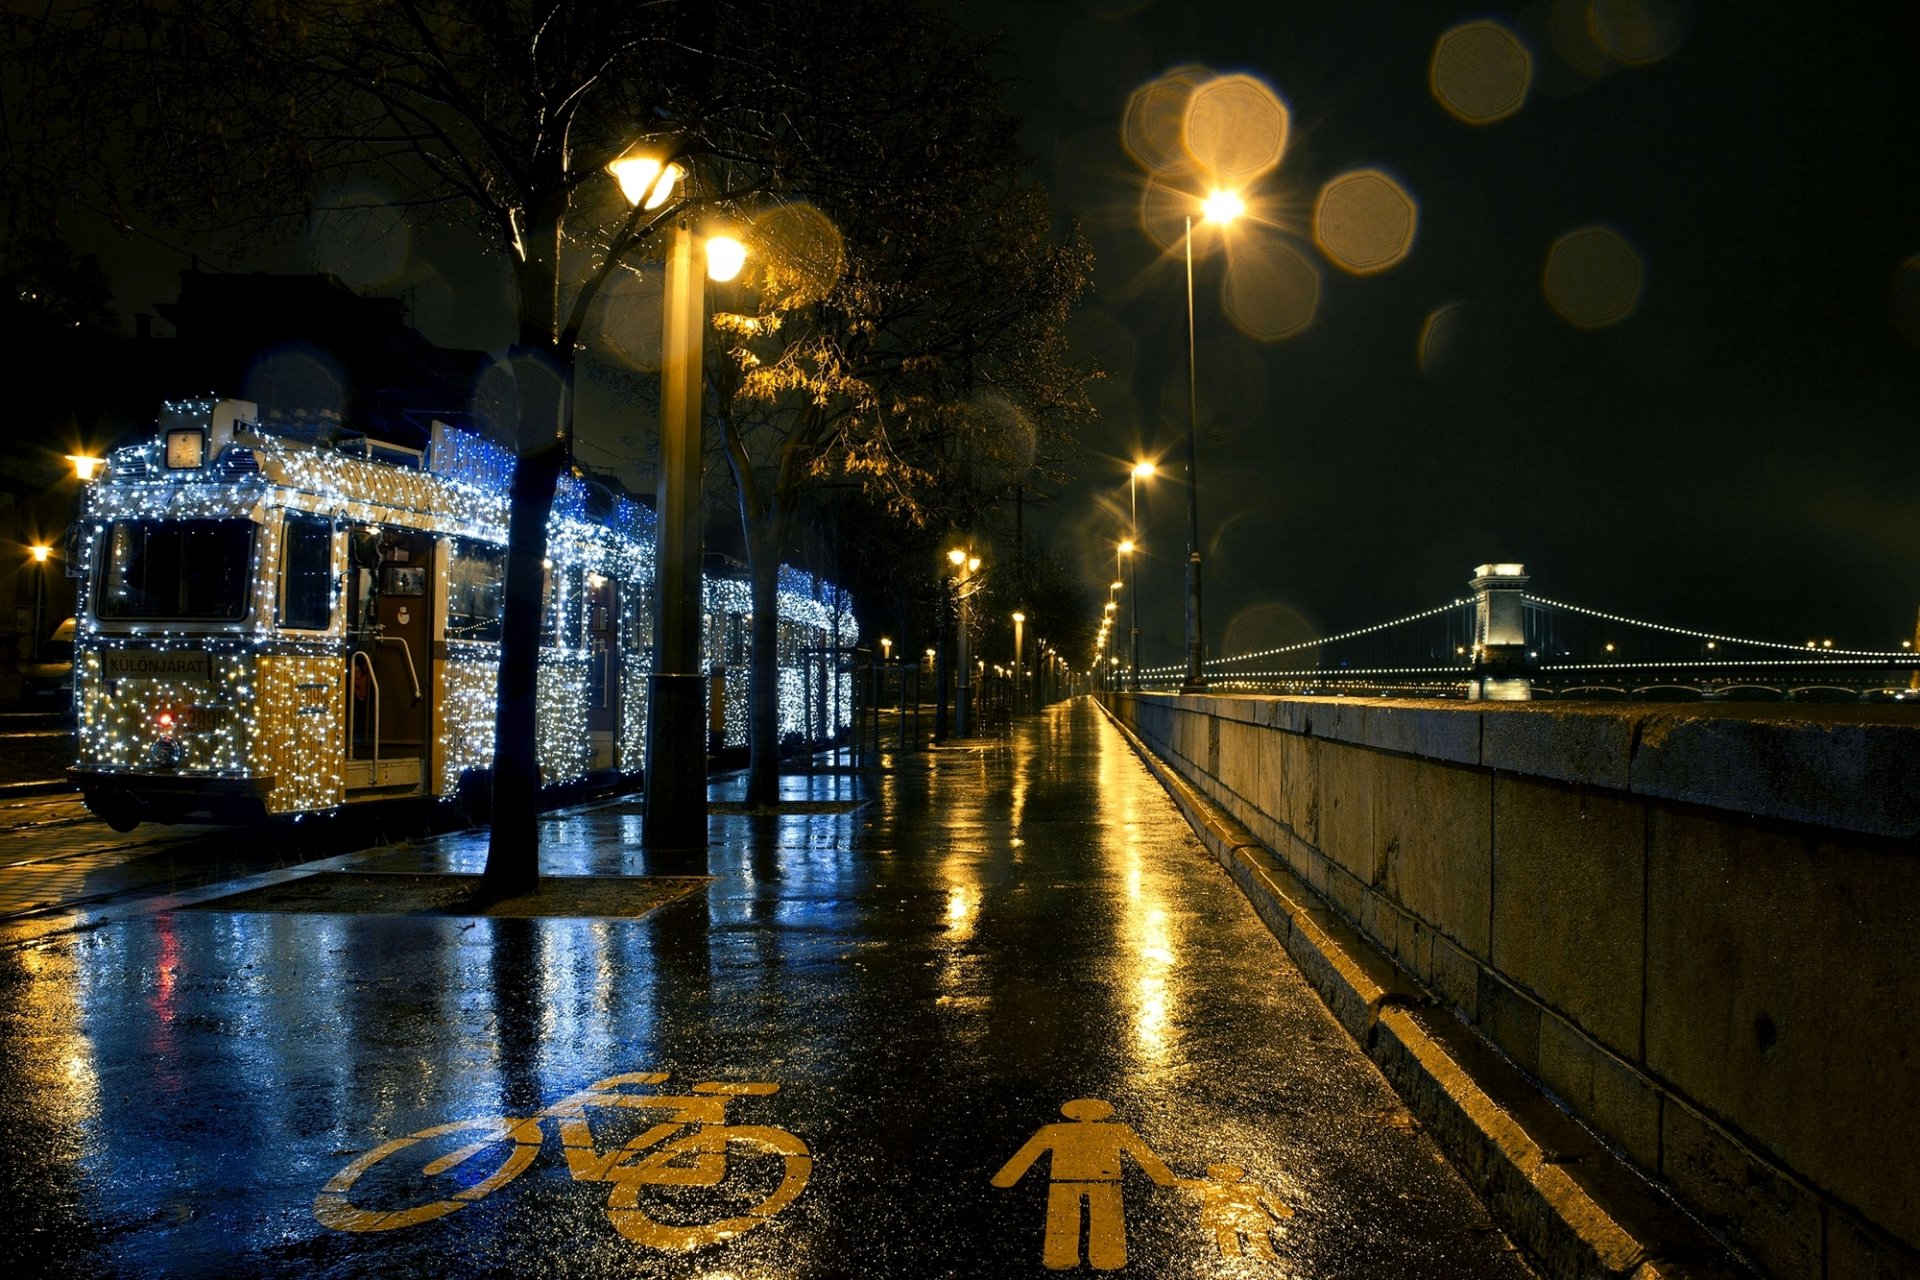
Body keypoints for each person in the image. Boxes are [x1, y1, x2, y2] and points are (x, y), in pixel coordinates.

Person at [992, 1098, 1177, 1271]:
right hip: (1106, 1182)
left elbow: (1028, 1152)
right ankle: (1108, 1258)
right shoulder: (1118, 1130)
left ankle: (1060, 1257)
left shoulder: (1053, 1130)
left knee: (1063, 1219)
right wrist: (1163, 1177)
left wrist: (1006, 1178)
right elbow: (1142, 1154)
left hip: (1063, 1181)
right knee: (1107, 1220)